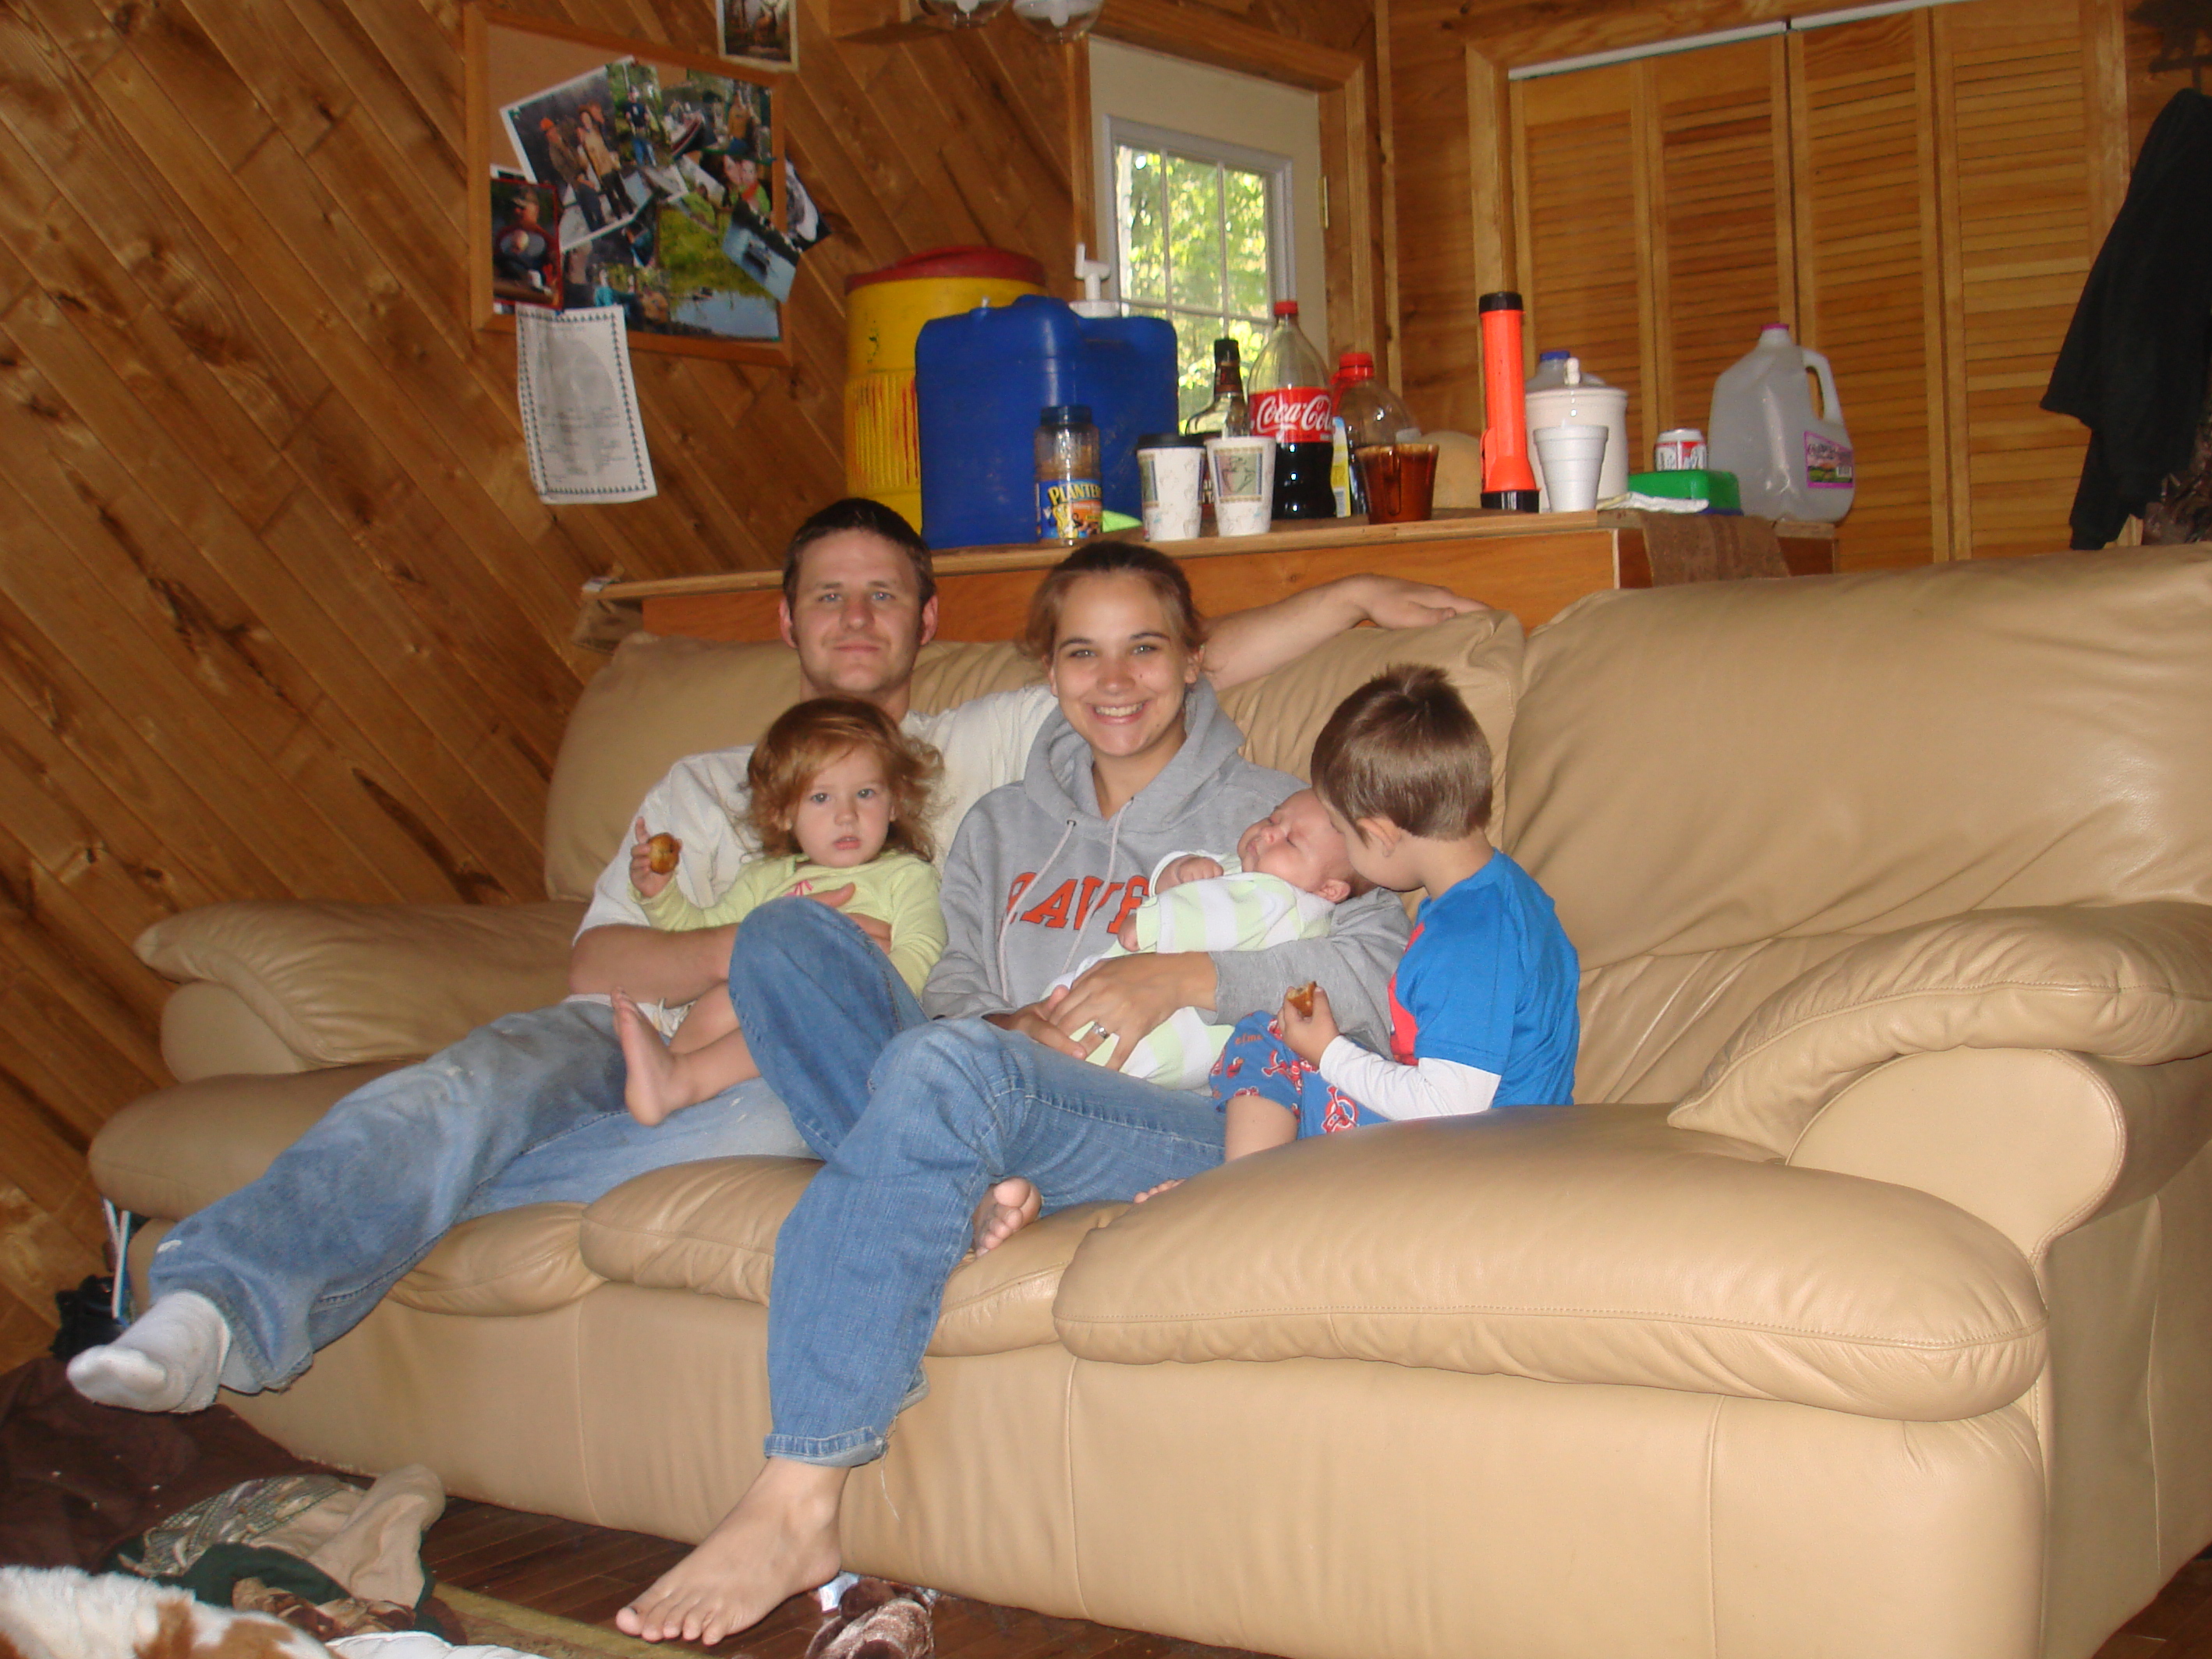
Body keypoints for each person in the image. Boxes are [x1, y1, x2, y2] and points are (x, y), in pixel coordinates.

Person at [69, 499, 1480, 1421]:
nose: (857, 621)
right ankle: (208, 1306)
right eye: (828, 598)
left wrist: (1348, 590)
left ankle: (301, 1247)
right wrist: (755, 944)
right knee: (472, 1086)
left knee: (599, 1127)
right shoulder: (701, 784)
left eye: (886, 599)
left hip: (834, 1068)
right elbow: (593, 966)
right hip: (655, 1030)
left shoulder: (976, 752)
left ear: (930, 626)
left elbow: (1156, 669)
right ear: (786, 620)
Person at [614, 542, 1414, 1646]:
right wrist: (1009, 1027)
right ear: (1049, 670)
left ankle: (798, 1496)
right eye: (1083, 653)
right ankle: (966, 1172)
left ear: (1196, 660)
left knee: (943, 1071)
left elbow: (1380, 966)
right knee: (785, 937)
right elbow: (949, 990)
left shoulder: (1283, 811)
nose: (1115, 680)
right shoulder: (998, 825)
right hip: (1012, 1086)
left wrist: (1181, 978)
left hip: (1192, 1123)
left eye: (1145, 648)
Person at [1197, 664, 1579, 1166]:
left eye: (1342, 831)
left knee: (1268, 1041)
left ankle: (1241, 1194)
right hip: (1489, 1141)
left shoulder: (1468, 937)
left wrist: (1330, 1052)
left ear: (1378, 835)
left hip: (1479, 1160)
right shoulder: (1502, 892)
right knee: (1291, 1045)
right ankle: (1238, 1183)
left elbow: (1450, 1105)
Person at [617, 695, 945, 1126]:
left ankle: (681, 1080)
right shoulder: (764, 878)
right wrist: (660, 894)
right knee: (723, 997)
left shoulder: (906, 875)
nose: (847, 816)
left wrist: (868, 992)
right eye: (821, 798)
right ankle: (669, 1077)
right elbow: (698, 932)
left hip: (860, 1027)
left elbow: (923, 947)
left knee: (792, 1010)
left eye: (865, 793)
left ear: (895, 802)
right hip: (771, 1033)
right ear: (783, 813)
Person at [1052, 787, 1364, 1088]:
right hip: (1169, 1023)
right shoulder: (1243, 868)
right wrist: (1181, 868)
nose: (1269, 833)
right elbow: (1165, 881)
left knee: (1077, 1036)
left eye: (1291, 841)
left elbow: (1209, 915)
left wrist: (1149, 923)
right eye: (1273, 819)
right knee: (1062, 1015)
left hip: (1165, 1031)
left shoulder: (1281, 899)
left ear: (1329, 890)